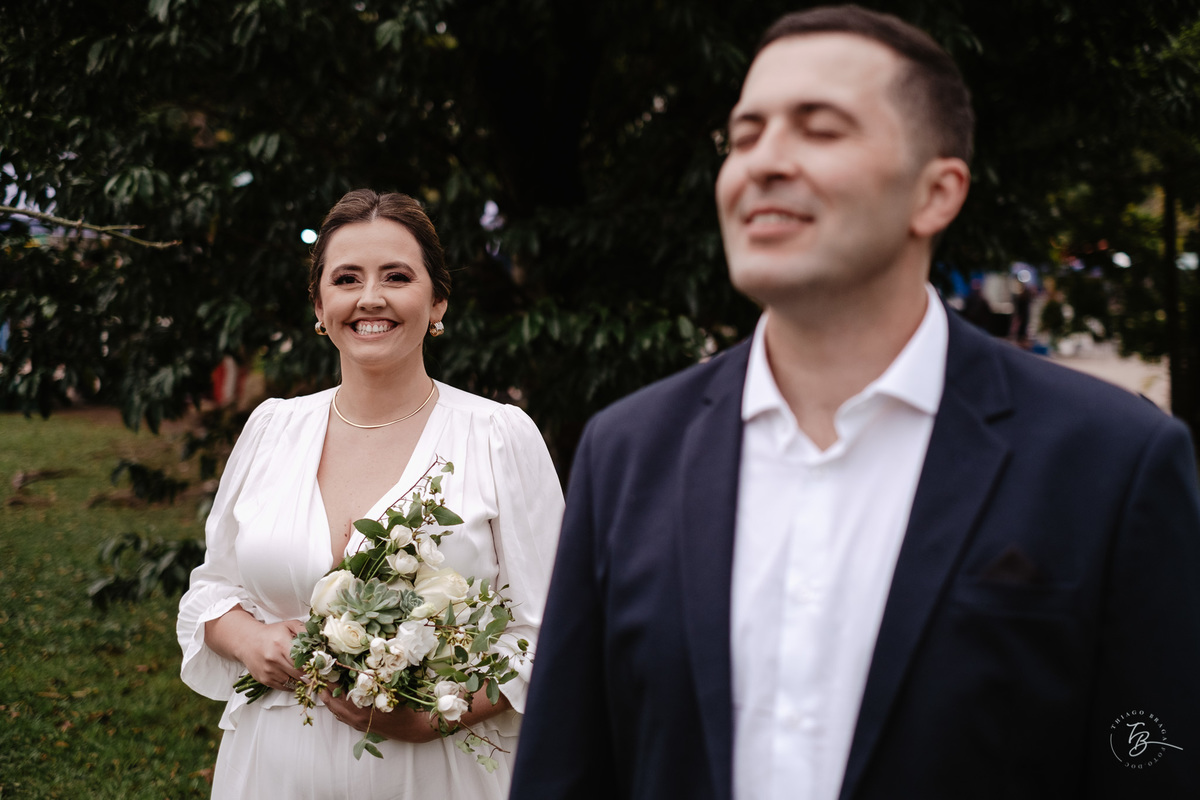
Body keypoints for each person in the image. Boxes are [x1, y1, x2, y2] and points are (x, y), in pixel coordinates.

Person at [510, 6, 1200, 800]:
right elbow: (565, 773)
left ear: (936, 194)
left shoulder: (1111, 461)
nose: (763, 163)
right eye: (744, 136)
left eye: (821, 129)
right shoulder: (627, 450)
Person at [177, 189, 563, 799]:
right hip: (272, 769)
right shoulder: (272, 428)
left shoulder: (497, 436)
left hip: (436, 773)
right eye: (347, 278)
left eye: (397, 276)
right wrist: (250, 641)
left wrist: (438, 712)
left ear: (437, 301)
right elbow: (212, 593)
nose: (370, 298)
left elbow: (553, 631)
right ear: (320, 302)